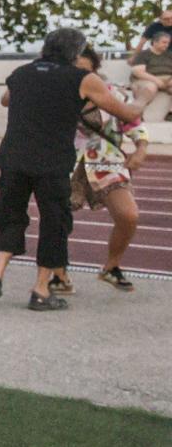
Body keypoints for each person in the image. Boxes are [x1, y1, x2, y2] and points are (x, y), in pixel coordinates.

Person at [0, 26, 142, 310]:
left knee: (10, 216)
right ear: (76, 53)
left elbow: (6, 99)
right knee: (55, 222)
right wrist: (143, 99)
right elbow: (126, 113)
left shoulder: (21, 73)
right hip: (52, 161)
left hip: (14, 157)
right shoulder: (83, 79)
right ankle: (40, 290)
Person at [63, 46, 149, 293]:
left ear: (94, 70)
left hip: (107, 161)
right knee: (57, 220)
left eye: (84, 71)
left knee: (128, 215)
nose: (79, 76)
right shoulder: (57, 94)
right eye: (73, 70)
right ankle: (57, 273)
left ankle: (111, 267)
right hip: (66, 163)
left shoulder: (114, 95)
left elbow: (134, 123)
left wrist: (141, 149)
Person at [127, 25, 171, 119]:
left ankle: (170, 113)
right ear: (155, 42)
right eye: (164, 42)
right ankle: (136, 113)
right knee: (150, 87)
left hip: (167, 79)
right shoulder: (144, 54)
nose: (166, 45)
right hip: (146, 79)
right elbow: (138, 72)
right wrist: (157, 81)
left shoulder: (169, 55)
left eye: (168, 43)